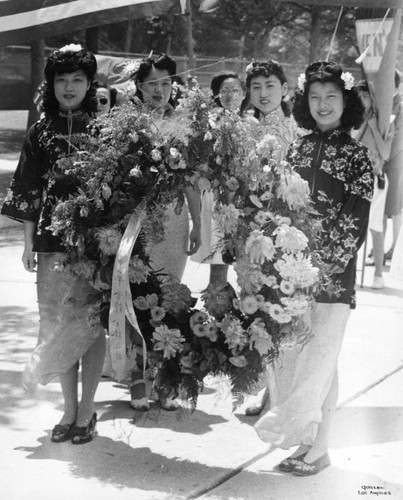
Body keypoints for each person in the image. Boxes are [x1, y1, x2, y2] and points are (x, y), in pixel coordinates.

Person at [254, 60, 373, 476]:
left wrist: (320, 268)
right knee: (308, 362)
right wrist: (279, 265)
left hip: (330, 280)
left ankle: (319, 448)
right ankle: (310, 444)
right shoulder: (296, 149)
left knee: (322, 358)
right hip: (288, 276)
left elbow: (354, 221)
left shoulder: (358, 158)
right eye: (315, 97)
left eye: (332, 97)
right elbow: (279, 210)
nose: (323, 105)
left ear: (346, 102)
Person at [1, 44, 104, 444]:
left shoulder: (106, 128)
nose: (69, 87)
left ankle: (88, 410)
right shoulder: (40, 131)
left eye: (77, 79)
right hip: (51, 241)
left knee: (92, 326)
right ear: (51, 84)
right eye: (61, 79)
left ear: (90, 84)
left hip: (97, 244)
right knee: (59, 324)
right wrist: (29, 244)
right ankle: (67, 409)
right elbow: (27, 191)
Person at [128, 53, 201, 411]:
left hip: (174, 219)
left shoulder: (183, 123)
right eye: (152, 84)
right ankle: (138, 377)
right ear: (139, 87)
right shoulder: (128, 124)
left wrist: (198, 224)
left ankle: (166, 378)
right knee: (140, 295)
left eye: (166, 83)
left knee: (170, 297)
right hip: (139, 220)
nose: (160, 90)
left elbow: (190, 181)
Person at [243, 60, 300, 416]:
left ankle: (279, 393)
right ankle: (265, 386)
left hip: (284, 228)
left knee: (280, 305)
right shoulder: (244, 128)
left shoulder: (295, 128)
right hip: (248, 226)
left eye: (270, 86)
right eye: (256, 87)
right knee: (256, 303)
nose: (263, 94)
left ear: (284, 88)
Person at [191, 72, 246, 287]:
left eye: (235, 90)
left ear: (244, 94)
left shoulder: (251, 123)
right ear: (217, 95)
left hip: (246, 201)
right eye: (224, 91)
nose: (229, 95)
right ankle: (217, 314)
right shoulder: (208, 125)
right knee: (219, 265)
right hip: (217, 198)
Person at [354, 80, 393, 289]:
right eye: (360, 96)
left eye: (366, 96)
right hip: (354, 178)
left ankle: (378, 273)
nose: (363, 101)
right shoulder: (350, 118)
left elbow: (385, 153)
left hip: (376, 178)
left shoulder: (384, 121)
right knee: (351, 225)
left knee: (375, 227)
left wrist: (374, 128)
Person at [382, 71, 403, 268]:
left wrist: (385, 157)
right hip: (384, 160)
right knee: (381, 209)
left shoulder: (400, 105)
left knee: (395, 208)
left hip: (395, 161)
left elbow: (398, 139)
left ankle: (396, 248)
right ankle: (381, 248)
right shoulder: (382, 103)